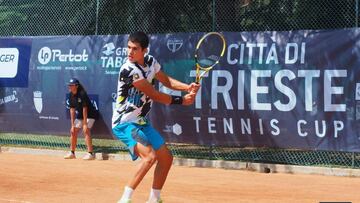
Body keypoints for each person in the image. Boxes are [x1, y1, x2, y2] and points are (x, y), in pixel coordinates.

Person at [112, 31, 200, 203]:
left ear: (144, 50)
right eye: (128, 48)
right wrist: (182, 101)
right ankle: (125, 199)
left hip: (141, 122)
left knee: (166, 158)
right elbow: (153, 93)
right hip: (124, 123)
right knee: (150, 157)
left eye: (134, 49)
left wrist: (187, 87)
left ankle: (154, 199)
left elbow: (166, 80)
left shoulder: (151, 62)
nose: (129, 52)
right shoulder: (128, 69)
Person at [64, 78, 98, 160]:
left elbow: (85, 109)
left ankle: (90, 154)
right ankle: (72, 153)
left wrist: (85, 124)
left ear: (76, 86)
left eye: (72, 85)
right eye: (69, 85)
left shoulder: (82, 94)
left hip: (90, 115)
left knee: (85, 130)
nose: (70, 87)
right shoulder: (70, 95)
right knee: (73, 131)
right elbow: (72, 110)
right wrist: (72, 125)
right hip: (80, 115)